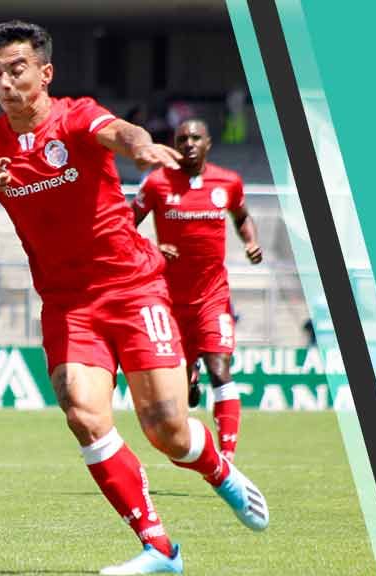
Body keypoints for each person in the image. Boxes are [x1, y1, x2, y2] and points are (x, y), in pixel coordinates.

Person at [0, 21, 268, 575]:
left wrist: (143, 146)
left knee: (166, 430)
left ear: (45, 73)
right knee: (82, 412)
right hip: (67, 304)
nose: (5, 82)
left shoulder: (75, 116)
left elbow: (118, 132)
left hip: (132, 287)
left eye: (17, 69)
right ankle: (159, 549)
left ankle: (219, 470)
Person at [133, 119, 263, 464]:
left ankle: (228, 456)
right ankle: (190, 378)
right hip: (168, 302)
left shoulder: (228, 182)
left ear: (208, 143)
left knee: (220, 367)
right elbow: (124, 228)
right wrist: (154, 249)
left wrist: (250, 241)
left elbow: (242, 216)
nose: (188, 143)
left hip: (213, 298)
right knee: (178, 394)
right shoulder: (158, 183)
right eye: (182, 139)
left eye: (195, 138)